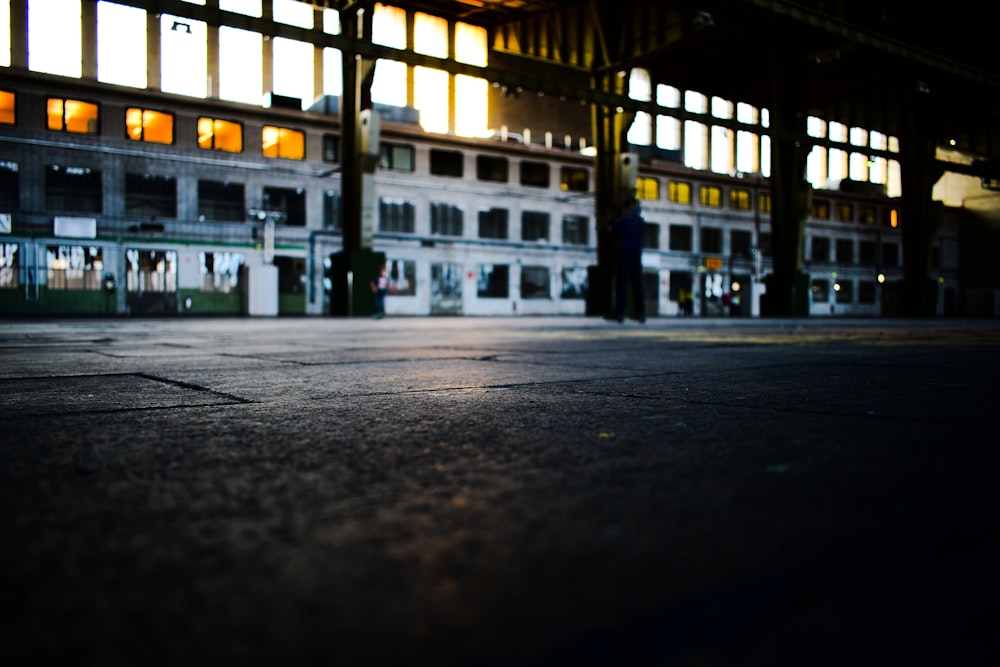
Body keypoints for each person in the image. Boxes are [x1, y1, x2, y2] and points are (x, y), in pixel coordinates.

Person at [608, 196, 646, 323]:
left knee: (621, 285)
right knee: (637, 286)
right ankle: (640, 314)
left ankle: (620, 314)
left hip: (624, 255)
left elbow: (610, 228)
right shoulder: (640, 221)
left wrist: (617, 216)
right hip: (636, 255)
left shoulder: (624, 221)